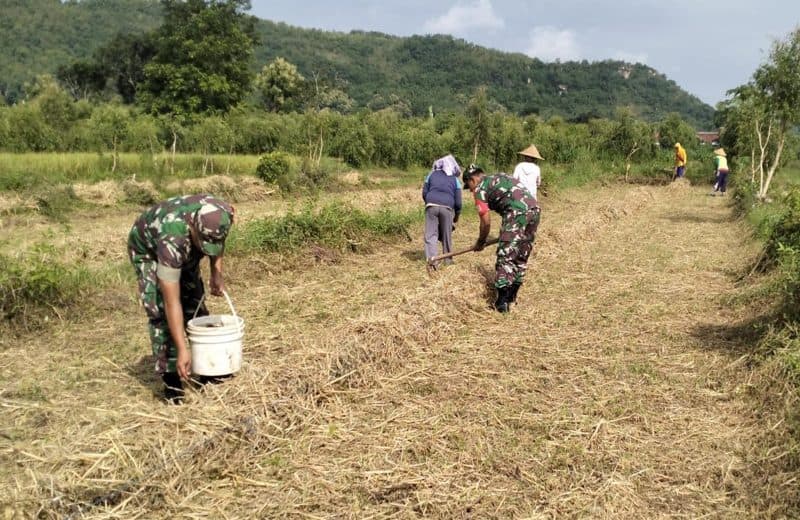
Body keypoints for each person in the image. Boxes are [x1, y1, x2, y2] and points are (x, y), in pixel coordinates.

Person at [127, 194, 235, 403]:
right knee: (160, 312)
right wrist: (182, 348)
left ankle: (207, 370)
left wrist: (216, 272)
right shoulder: (172, 241)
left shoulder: (223, 213)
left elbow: (218, 240)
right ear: (192, 228)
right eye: (203, 243)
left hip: (184, 242)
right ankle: (172, 383)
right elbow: (171, 301)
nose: (207, 249)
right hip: (147, 250)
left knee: (195, 304)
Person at [462, 165, 540, 313]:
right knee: (521, 255)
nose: (471, 190)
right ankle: (512, 297)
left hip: (516, 213)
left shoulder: (480, 189)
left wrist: (481, 241)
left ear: (472, 180)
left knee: (505, 256)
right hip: (534, 209)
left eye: (469, 186)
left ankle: (501, 303)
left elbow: (486, 221)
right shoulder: (501, 176)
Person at [422, 155, 462, 267]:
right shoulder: (455, 180)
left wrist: (430, 203)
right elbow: (458, 202)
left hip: (431, 205)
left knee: (431, 235)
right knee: (446, 234)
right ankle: (448, 260)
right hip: (447, 208)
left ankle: (433, 262)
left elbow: (424, 193)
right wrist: (456, 216)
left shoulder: (431, 175)